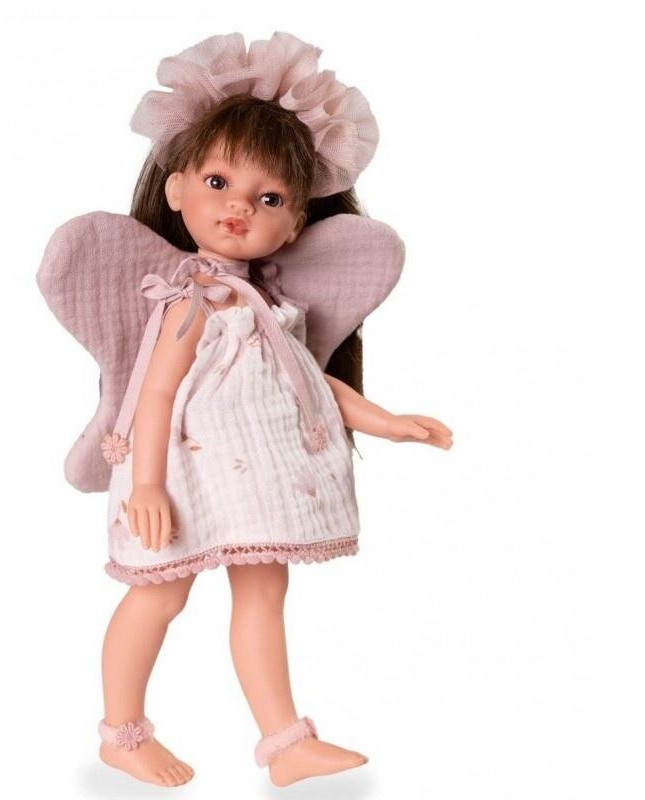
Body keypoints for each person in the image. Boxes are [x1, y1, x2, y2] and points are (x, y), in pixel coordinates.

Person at [38, 32, 453, 789]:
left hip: (251, 476)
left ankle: (284, 743)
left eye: (268, 198)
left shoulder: (272, 306)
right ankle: (121, 732)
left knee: (265, 590)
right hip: (182, 474)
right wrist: (147, 484)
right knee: (158, 593)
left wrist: (386, 421)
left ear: (295, 224)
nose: (238, 208)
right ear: (177, 189)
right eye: (218, 182)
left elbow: (308, 381)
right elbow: (155, 393)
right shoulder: (189, 301)